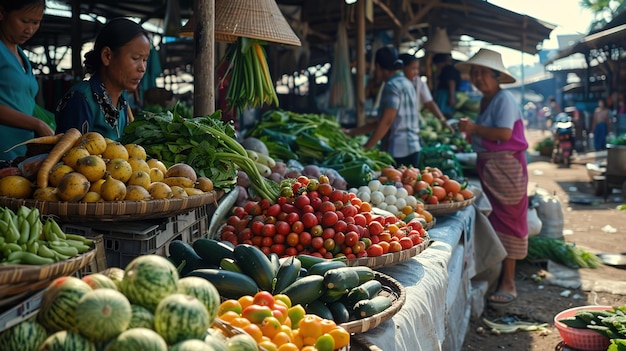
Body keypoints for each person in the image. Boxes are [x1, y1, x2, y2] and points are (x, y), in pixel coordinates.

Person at [456, 48, 529, 308]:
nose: (477, 78)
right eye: (474, 73)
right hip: (491, 168)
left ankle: (509, 282)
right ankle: (499, 277)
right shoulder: (486, 100)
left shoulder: (504, 99)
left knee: (510, 220)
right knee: (497, 219)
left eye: (482, 73)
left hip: (507, 169)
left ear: (496, 75)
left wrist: (474, 128)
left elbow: (505, 133)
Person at [55, 18, 151, 140]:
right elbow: (73, 155)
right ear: (107, 56)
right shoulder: (81, 98)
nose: (142, 68)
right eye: (135, 58)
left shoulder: (122, 100)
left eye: (144, 60)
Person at [345, 47, 421, 167]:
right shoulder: (407, 83)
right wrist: (351, 132)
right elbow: (383, 121)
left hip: (399, 150)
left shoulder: (391, 86)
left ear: (379, 67)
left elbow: (387, 121)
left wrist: (365, 148)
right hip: (413, 147)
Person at [0, 0, 54, 162]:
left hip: (21, 151)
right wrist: (37, 124)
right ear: (2, 13)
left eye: (36, 22)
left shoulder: (21, 55)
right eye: (24, 21)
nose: (29, 29)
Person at [398, 53, 452, 132]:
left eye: (417, 69)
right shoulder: (394, 85)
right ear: (402, 68)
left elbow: (429, 103)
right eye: (413, 69)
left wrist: (443, 121)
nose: (416, 72)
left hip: (411, 127)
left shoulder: (418, 82)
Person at [432, 52, 461, 118]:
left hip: (445, 95)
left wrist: (451, 97)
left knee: (444, 113)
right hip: (445, 94)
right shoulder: (446, 69)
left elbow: (451, 82)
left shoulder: (448, 69)